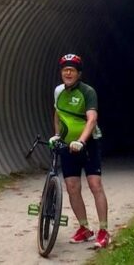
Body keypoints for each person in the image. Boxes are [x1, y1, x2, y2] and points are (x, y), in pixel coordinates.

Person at [49, 53, 110, 248]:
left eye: (72, 70)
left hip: (88, 143)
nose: (68, 73)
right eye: (65, 69)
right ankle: (85, 228)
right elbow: (58, 115)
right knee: (72, 187)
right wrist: (57, 136)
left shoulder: (87, 92)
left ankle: (104, 230)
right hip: (68, 145)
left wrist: (82, 141)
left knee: (95, 184)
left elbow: (92, 119)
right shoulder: (59, 91)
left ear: (79, 73)